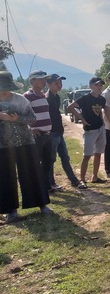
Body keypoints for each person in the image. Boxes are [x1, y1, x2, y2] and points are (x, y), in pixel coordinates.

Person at [0, 71, 53, 223]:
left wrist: (18, 119)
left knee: (32, 173)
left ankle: (41, 205)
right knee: (6, 178)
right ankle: (11, 211)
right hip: (3, 146)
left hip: (25, 142)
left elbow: (32, 119)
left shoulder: (20, 100)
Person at [68, 77, 110, 186]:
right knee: (87, 155)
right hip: (90, 130)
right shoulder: (85, 98)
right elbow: (71, 107)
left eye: (100, 85)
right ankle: (82, 180)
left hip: (100, 129)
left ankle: (95, 176)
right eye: (97, 85)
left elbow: (105, 111)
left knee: (98, 153)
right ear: (91, 86)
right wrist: (82, 119)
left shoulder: (102, 99)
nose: (99, 87)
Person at [23, 70, 61, 194]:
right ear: (32, 81)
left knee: (47, 162)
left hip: (48, 134)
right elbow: (22, 116)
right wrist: (31, 128)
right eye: (40, 79)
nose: (43, 81)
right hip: (37, 135)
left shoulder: (43, 96)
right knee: (36, 162)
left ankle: (46, 186)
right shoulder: (27, 97)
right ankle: (36, 188)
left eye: (44, 79)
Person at [45, 73, 84, 189]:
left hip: (59, 132)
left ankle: (73, 180)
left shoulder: (56, 97)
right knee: (51, 159)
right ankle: (50, 183)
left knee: (65, 157)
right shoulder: (47, 98)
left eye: (60, 83)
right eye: (56, 83)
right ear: (49, 84)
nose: (59, 85)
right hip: (51, 132)